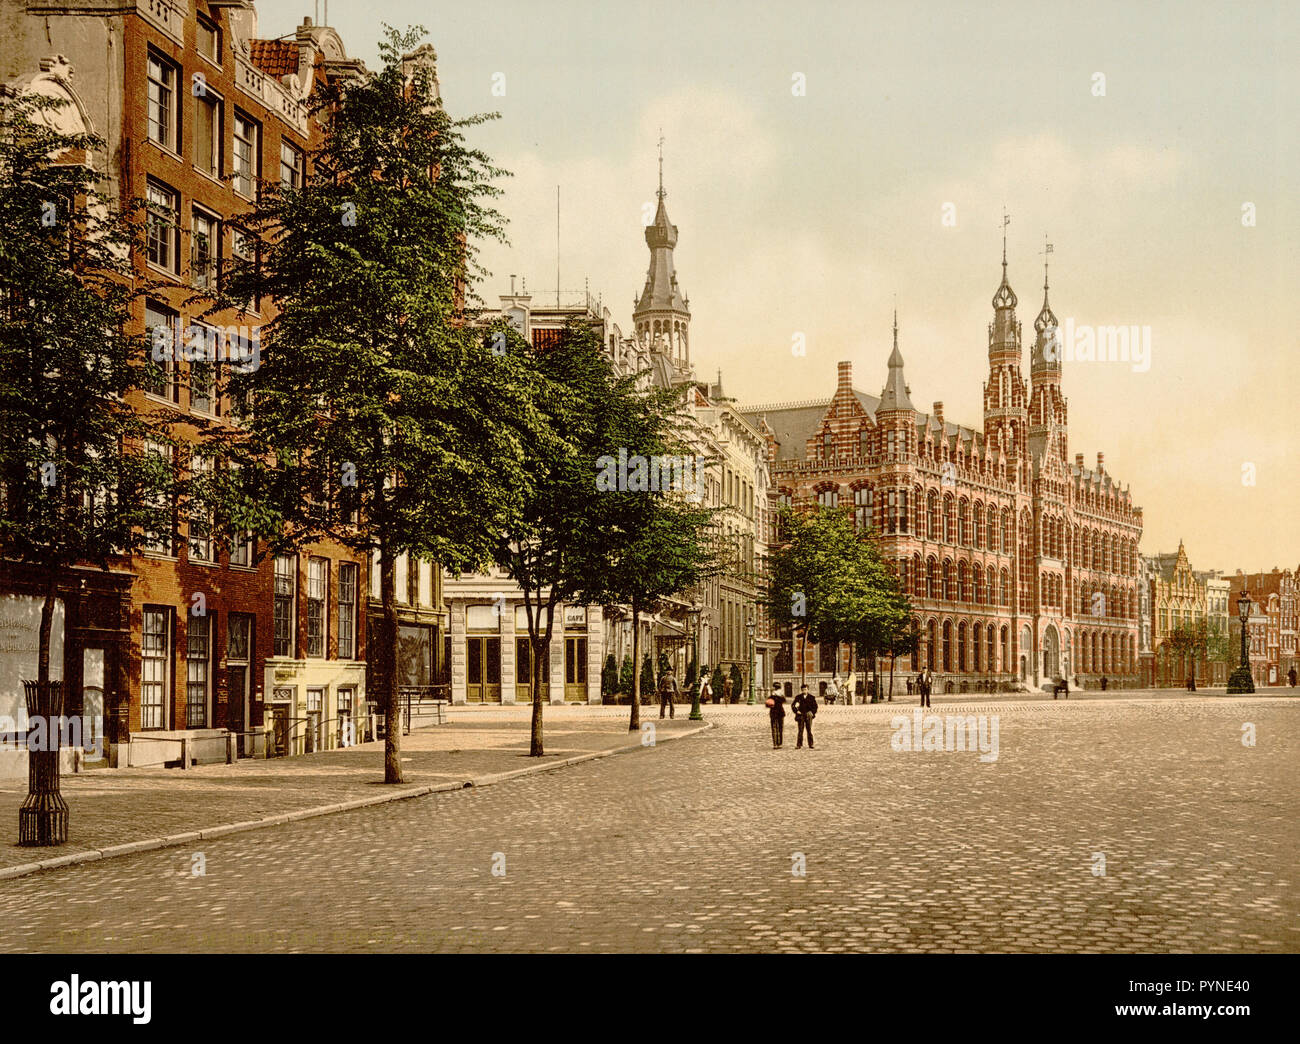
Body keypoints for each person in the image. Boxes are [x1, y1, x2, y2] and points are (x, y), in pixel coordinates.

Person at [791, 684, 817, 748]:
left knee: (809, 730)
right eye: (802, 690)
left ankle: (811, 744)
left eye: (805, 689)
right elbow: (793, 705)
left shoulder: (811, 697)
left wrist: (812, 713)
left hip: (808, 715)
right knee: (800, 730)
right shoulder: (798, 697)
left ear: (808, 690)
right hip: (800, 715)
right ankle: (799, 744)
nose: (804, 691)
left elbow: (815, 707)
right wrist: (796, 711)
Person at [767, 683, 786, 748]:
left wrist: (776, 696)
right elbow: (768, 704)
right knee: (778, 728)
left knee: (776, 728)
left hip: (776, 713)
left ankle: (776, 743)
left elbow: (768, 704)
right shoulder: (775, 696)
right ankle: (778, 743)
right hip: (778, 713)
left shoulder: (776, 695)